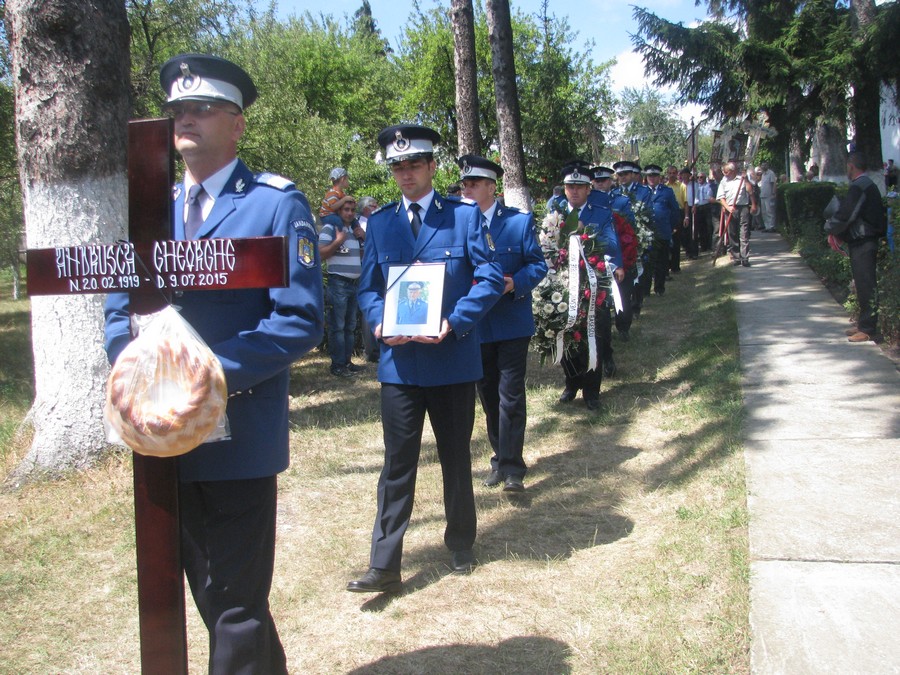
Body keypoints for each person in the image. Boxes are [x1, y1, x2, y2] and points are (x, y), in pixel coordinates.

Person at [104, 54, 324, 674]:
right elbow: (118, 306)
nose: (187, 119)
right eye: (178, 109)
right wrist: (134, 374)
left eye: (203, 108)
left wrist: (204, 376)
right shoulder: (152, 208)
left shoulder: (275, 205)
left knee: (234, 604)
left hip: (237, 436)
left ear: (238, 124)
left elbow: (298, 319)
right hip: (158, 436)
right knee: (214, 595)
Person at [347, 125, 504, 593]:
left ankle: (461, 542)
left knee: (455, 456)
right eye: (397, 166)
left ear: (433, 166)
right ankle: (384, 565)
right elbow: (368, 288)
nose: (405, 173)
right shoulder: (380, 223)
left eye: (414, 164)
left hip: (451, 359)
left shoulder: (463, 216)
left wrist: (455, 322)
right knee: (397, 463)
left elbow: (490, 278)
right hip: (400, 365)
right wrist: (379, 323)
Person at [458, 154, 547, 493]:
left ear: (492, 188)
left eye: (474, 184)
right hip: (478, 325)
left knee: (510, 394)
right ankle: (499, 458)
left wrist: (515, 283)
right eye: (464, 185)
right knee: (488, 396)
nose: (467, 190)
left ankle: (512, 468)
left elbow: (537, 265)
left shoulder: (517, 222)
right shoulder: (459, 225)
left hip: (511, 322)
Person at [556, 162, 623, 411]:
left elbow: (612, 243)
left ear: (588, 189)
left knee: (595, 334)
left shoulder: (601, 213)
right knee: (565, 334)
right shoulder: (555, 212)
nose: (574, 191)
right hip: (563, 285)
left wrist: (585, 235)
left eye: (579, 187)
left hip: (594, 284)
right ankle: (572, 382)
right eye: (570, 186)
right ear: (565, 189)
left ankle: (592, 391)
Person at [824, 151, 887, 342]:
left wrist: (830, 228)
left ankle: (868, 329)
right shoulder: (866, 184)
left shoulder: (860, 186)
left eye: (847, 166)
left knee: (866, 283)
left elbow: (847, 215)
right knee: (862, 283)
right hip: (862, 240)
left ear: (851, 166)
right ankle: (863, 324)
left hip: (864, 241)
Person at [319, 196, 366, 377]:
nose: (350, 213)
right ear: (338, 211)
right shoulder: (330, 228)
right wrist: (338, 241)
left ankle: (347, 362)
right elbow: (320, 253)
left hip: (354, 284)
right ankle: (337, 365)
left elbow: (363, 255)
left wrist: (364, 237)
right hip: (338, 282)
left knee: (350, 326)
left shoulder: (355, 230)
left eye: (352, 210)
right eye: (346, 209)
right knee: (337, 326)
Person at [591, 165, 638, 343]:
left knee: (622, 293)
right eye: (596, 181)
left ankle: (623, 326)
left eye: (603, 180)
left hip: (620, 251)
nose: (600, 184)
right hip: (596, 254)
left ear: (610, 181)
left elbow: (630, 228)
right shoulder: (588, 201)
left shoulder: (620, 201)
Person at [644, 164, 679, 295]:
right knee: (647, 261)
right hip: (646, 232)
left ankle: (659, 288)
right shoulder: (642, 192)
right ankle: (645, 289)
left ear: (659, 177)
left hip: (663, 231)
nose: (652, 178)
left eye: (655, 176)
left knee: (662, 261)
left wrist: (671, 227)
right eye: (649, 176)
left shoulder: (667, 191)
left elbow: (674, 210)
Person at [717, 161, 757, 267]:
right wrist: (728, 208)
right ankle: (736, 257)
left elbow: (750, 192)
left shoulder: (742, 179)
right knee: (732, 233)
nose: (724, 173)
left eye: (726, 171)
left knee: (744, 232)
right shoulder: (723, 181)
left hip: (743, 207)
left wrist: (753, 204)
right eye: (723, 172)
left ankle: (745, 258)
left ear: (733, 171)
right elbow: (721, 198)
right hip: (730, 208)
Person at [356, 197, 380, 362]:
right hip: (365, 269)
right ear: (365, 208)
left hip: (373, 268)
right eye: (373, 206)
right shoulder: (362, 224)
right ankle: (371, 350)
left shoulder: (375, 222)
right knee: (368, 307)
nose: (377, 207)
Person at [757, 162, 778, 231]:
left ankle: (772, 226)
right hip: (763, 195)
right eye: (762, 165)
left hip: (769, 195)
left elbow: (773, 183)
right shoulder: (763, 174)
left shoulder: (771, 173)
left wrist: (773, 193)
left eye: (765, 165)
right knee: (764, 212)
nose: (763, 166)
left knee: (770, 211)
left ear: (767, 166)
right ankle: (767, 227)